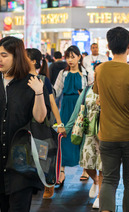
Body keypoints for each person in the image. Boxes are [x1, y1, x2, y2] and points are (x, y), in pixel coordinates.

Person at [0, 37, 50, 211]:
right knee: (3, 206)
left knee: (19, 207)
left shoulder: (32, 83)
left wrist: (39, 93)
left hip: (23, 159)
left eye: (4, 55)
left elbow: (40, 118)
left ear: (17, 56)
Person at [94, 27, 129, 212]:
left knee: (109, 179)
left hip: (107, 135)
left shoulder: (99, 70)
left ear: (108, 46)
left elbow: (98, 97)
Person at [26, 48, 67, 199]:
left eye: (25, 57)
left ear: (33, 61)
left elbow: (52, 103)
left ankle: (48, 185)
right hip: (25, 124)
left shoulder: (43, 80)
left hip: (42, 125)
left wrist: (60, 123)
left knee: (43, 154)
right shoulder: (19, 79)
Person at [54, 45, 88, 185]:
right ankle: (61, 171)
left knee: (82, 136)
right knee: (64, 137)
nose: (70, 60)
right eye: (68, 57)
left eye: (73, 57)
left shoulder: (85, 73)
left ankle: (85, 169)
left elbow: (89, 90)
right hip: (66, 108)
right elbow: (56, 91)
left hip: (81, 108)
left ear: (79, 57)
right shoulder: (63, 73)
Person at [66, 82, 103, 209]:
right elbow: (77, 110)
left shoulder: (109, 87)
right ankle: (96, 180)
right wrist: (67, 128)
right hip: (88, 133)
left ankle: (100, 196)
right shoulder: (87, 89)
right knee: (86, 165)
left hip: (104, 133)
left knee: (102, 165)